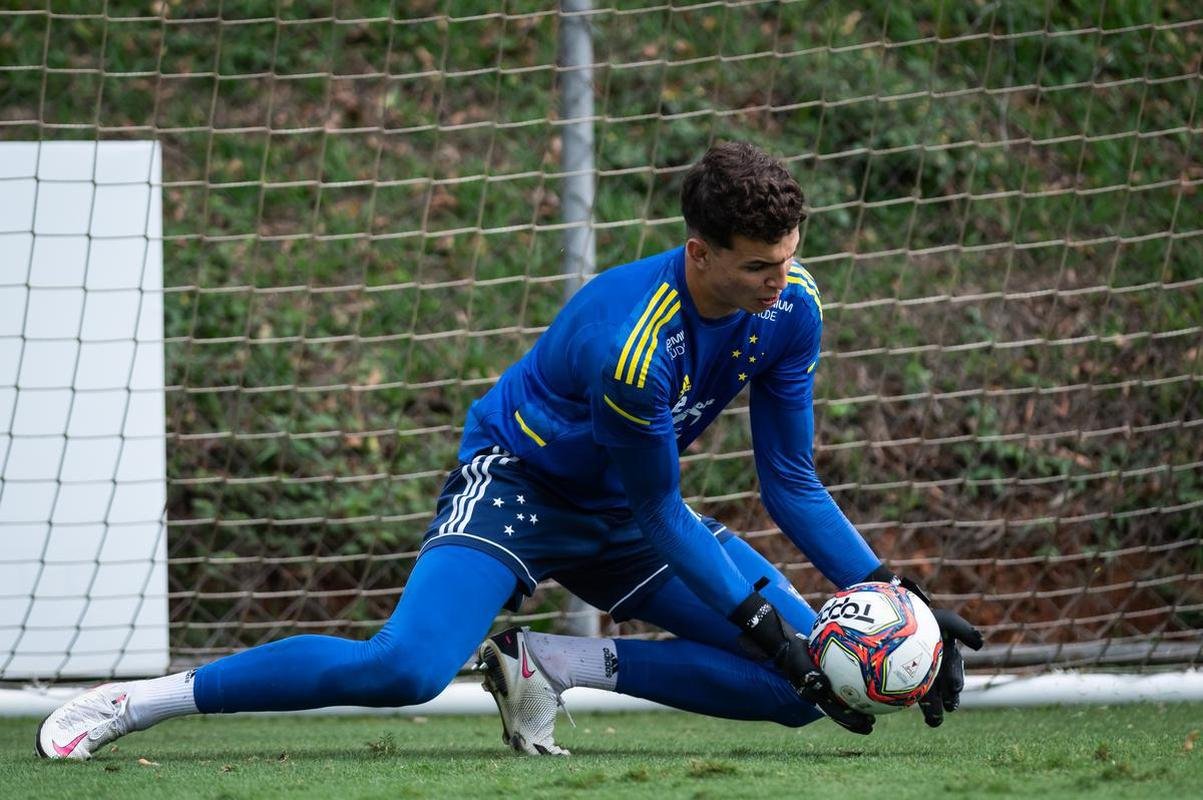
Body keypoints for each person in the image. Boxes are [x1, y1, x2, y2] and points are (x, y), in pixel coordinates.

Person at [36, 142, 981, 760]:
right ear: (699, 252)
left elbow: (789, 478)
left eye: (789, 258)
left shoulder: (791, 309)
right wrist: (765, 617)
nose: (781, 284)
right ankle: (146, 700)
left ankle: (554, 666)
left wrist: (899, 598)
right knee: (404, 669)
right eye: (757, 266)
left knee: (799, 687)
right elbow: (661, 509)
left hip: (625, 508)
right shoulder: (632, 345)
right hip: (521, 488)